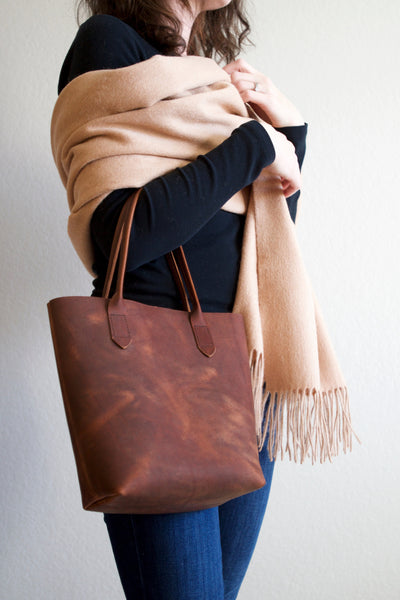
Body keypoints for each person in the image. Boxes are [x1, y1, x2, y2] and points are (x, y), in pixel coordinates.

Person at [56, 1, 307, 598]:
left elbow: (260, 240)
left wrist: (290, 133)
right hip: (159, 381)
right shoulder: (107, 44)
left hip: (245, 377)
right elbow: (120, 233)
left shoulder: (206, 75)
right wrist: (254, 144)